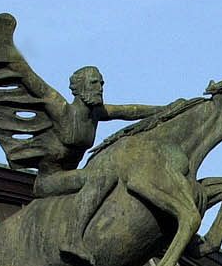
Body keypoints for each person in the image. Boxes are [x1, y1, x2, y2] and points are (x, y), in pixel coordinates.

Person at [31, 66, 168, 198]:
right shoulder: (61, 111)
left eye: (101, 84)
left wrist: (166, 109)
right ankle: (81, 222)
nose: (100, 88)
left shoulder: (96, 113)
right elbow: (32, 80)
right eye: (94, 83)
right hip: (49, 180)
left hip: (72, 174)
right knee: (101, 175)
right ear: (78, 88)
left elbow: (131, 111)